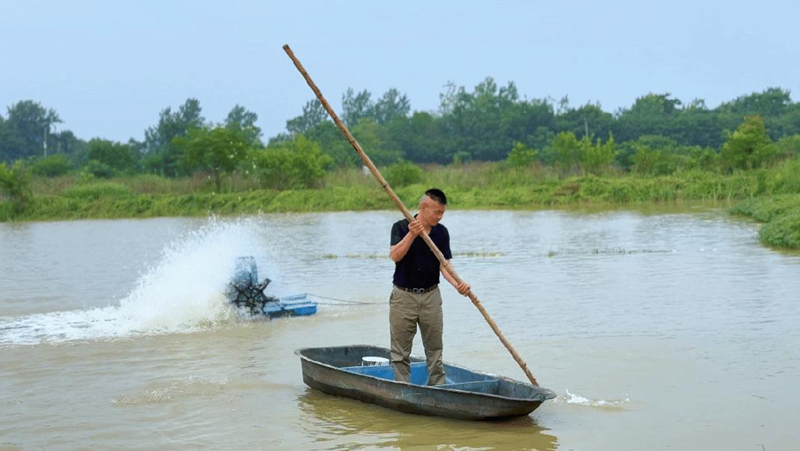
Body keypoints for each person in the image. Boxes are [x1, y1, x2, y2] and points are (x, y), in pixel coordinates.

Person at [389, 188, 471, 385]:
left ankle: (438, 387)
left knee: (435, 349)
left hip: (431, 296)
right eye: (437, 212)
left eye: (443, 212)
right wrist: (412, 234)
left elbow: (445, 265)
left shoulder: (441, 232)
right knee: (400, 352)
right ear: (424, 207)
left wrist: (458, 285)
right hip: (404, 296)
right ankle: (403, 388)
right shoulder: (401, 227)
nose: (440, 217)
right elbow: (395, 256)